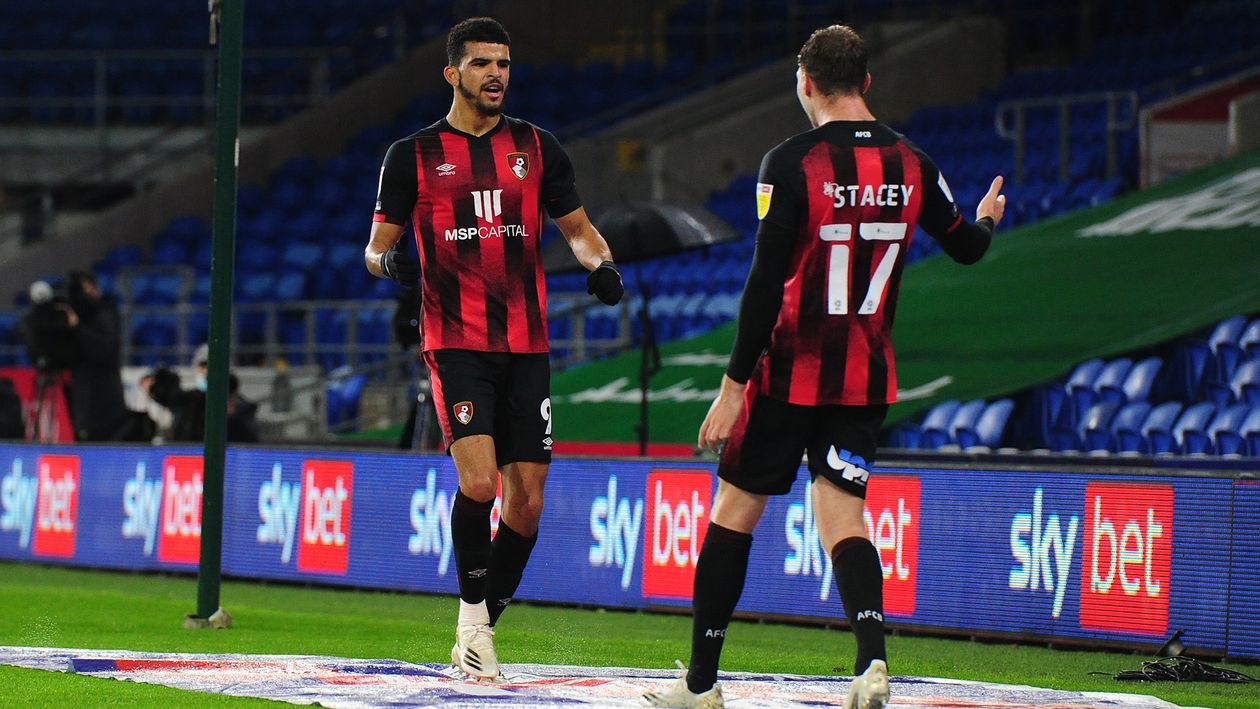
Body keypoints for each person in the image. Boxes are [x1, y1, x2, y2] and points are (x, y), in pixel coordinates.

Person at [643, 25, 1005, 709]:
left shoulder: (789, 162)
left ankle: (700, 683)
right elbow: (965, 247)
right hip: (863, 378)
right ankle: (870, 662)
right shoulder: (914, 164)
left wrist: (731, 389)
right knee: (845, 517)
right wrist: (985, 221)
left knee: (733, 514)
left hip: (788, 375)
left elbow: (763, 282)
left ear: (805, 83)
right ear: (866, 82)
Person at [363, 17, 624, 681]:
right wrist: (388, 263)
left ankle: (476, 629)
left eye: (503, 63)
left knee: (527, 502)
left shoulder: (538, 148)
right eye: (482, 64)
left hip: (526, 343)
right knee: (479, 482)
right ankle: (473, 624)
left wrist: (601, 266)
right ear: (452, 73)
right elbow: (375, 246)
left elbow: (579, 230)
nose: (496, 75)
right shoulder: (413, 155)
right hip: (455, 341)